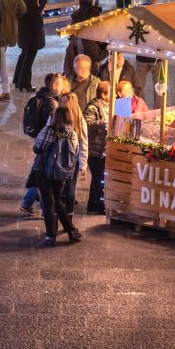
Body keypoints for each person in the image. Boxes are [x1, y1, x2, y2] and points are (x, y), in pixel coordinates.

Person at [32, 106, 84, 247]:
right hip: (61, 172)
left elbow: (36, 148)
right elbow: (75, 150)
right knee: (58, 201)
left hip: (43, 170)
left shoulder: (48, 130)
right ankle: (72, 231)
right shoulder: (72, 132)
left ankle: (51, 237)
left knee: (48, 203)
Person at [20, 72, 61, 216]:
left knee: (39, 172)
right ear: (55, 85)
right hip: (48, 143)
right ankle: (44, 208)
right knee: (45, 175)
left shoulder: (41, 97)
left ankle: (28, 202)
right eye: (60, 85)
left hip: (40, 140)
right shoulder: (52, 103)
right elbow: (54, 125)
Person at [12, 0, 46, 92]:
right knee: (29, 58)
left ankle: (17, 80)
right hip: (32, 33)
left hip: (24, 31)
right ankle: (24, 84)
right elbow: (35, 12)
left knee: (24, 55)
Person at [83, 82, 110, 215]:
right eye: (111, 92)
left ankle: (95, 204)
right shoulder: (93, 106)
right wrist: (102, 122)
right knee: (98, 176)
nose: (114, 95)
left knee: (100, 177)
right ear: (103, 94)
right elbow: (87, 123)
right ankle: (97, 205)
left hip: (105, 148)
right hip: (95, 149)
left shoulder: (113, 104)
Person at [64, 0, 105, 76]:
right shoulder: (95, 14)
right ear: (91, 0)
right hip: (91, 45)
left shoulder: (76, 14)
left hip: (77, 47)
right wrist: (106, 46)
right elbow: (100, 31)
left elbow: (72, 32)